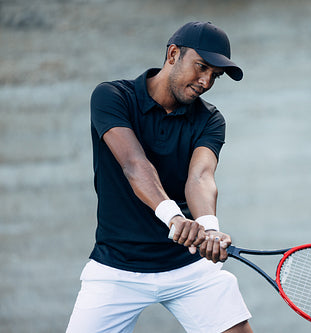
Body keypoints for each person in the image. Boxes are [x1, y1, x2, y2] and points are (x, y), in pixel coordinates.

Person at [66, 21, 253, 333]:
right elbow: (134, 164)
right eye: (201, 67)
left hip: (188, 266)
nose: (206, 81)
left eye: (215, 76)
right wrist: (174, 218)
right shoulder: (112, 97)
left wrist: (209, 228)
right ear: (173, 54)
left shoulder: (211, 120)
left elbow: (201, 177)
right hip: (116, 267)